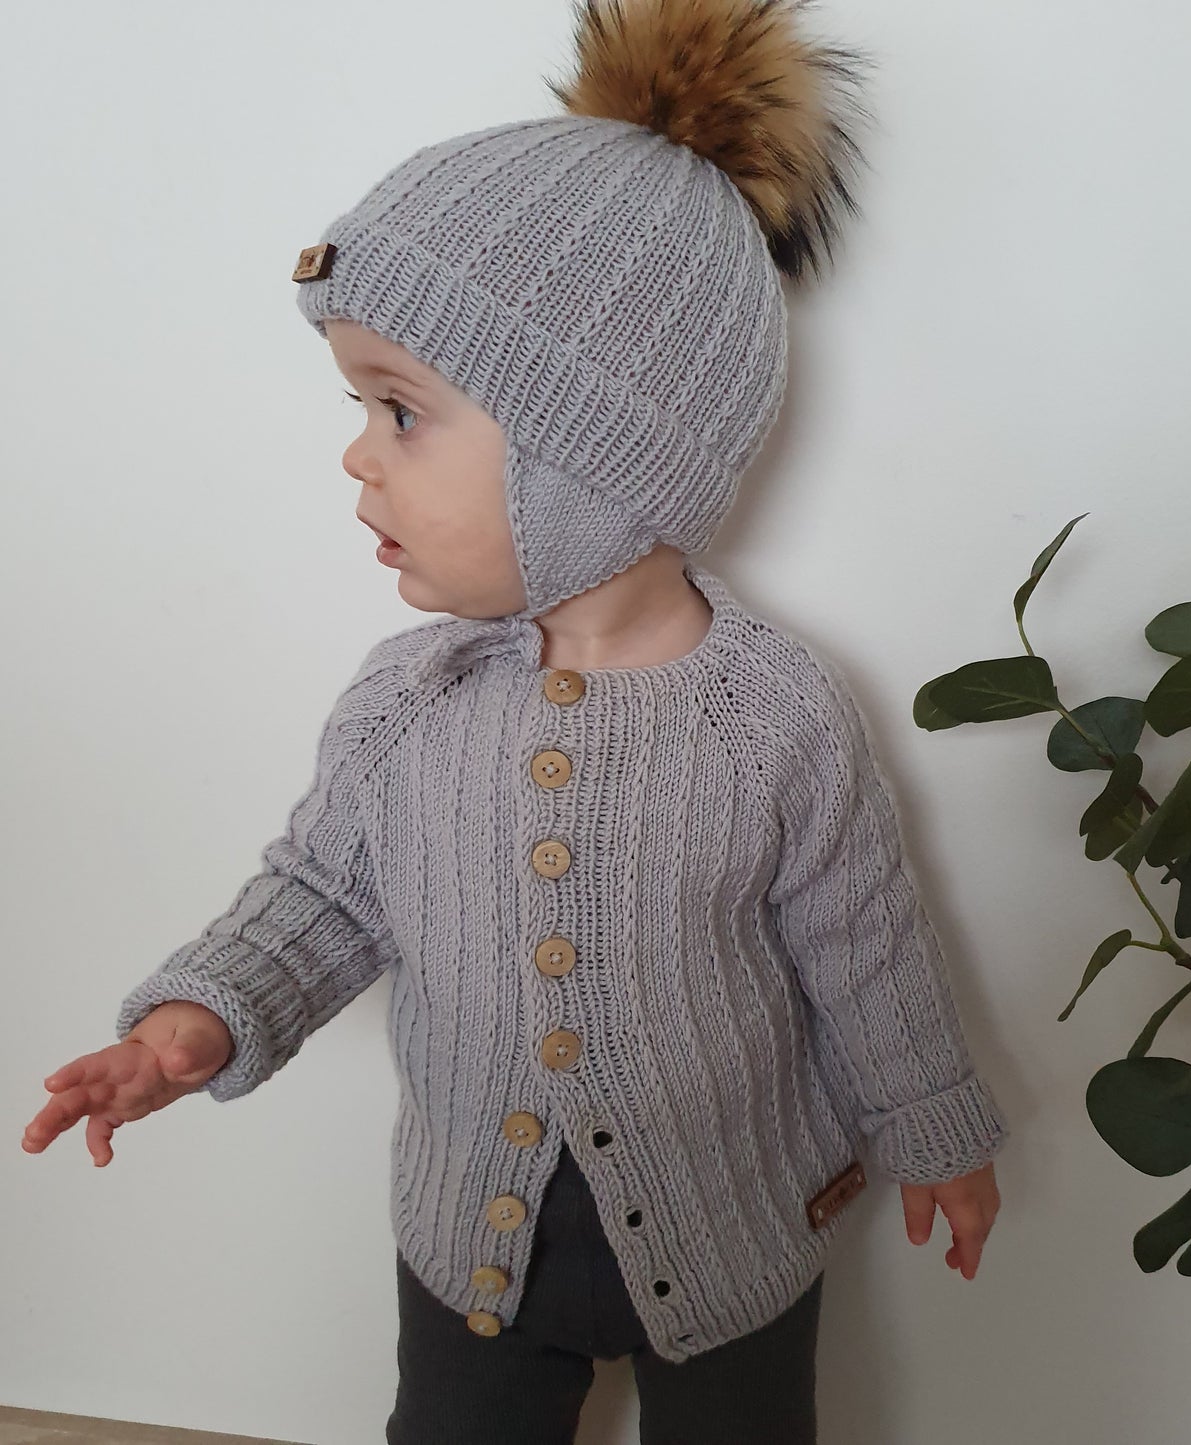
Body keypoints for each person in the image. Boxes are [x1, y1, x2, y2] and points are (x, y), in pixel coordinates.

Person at [21, 1, 1010, 1439]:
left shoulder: (774, 715)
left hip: (735, 1227)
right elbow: (324, 892)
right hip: (468, 1240)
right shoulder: (405, 704)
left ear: (595, 454)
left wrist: (933, 1128)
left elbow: (863, 942)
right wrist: (201, 1016)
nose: (356, 457)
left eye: (400, 411)